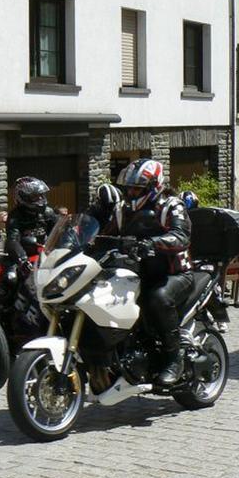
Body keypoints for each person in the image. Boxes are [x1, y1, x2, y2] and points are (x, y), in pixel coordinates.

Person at [97, 159, 193, 386]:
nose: (131, 192)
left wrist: (153, 243)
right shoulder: (122, 210)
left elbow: (181, 236)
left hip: (173, 274)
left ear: (153, 187)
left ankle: (174, 358)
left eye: (137, 188)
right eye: (129, 188)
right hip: (136, 273)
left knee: (156, 299)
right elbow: (104, 236)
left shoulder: (171, 206)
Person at [5, 177, 58, 271]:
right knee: (10, 279)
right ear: (23, 197)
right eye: (35, 196)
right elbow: (13, 240)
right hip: (22, 257)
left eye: (41, 195)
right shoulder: (15, 216)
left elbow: (60, 231)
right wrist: (22, 259)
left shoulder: (48, 212)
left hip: (44, 255)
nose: (40, 199)